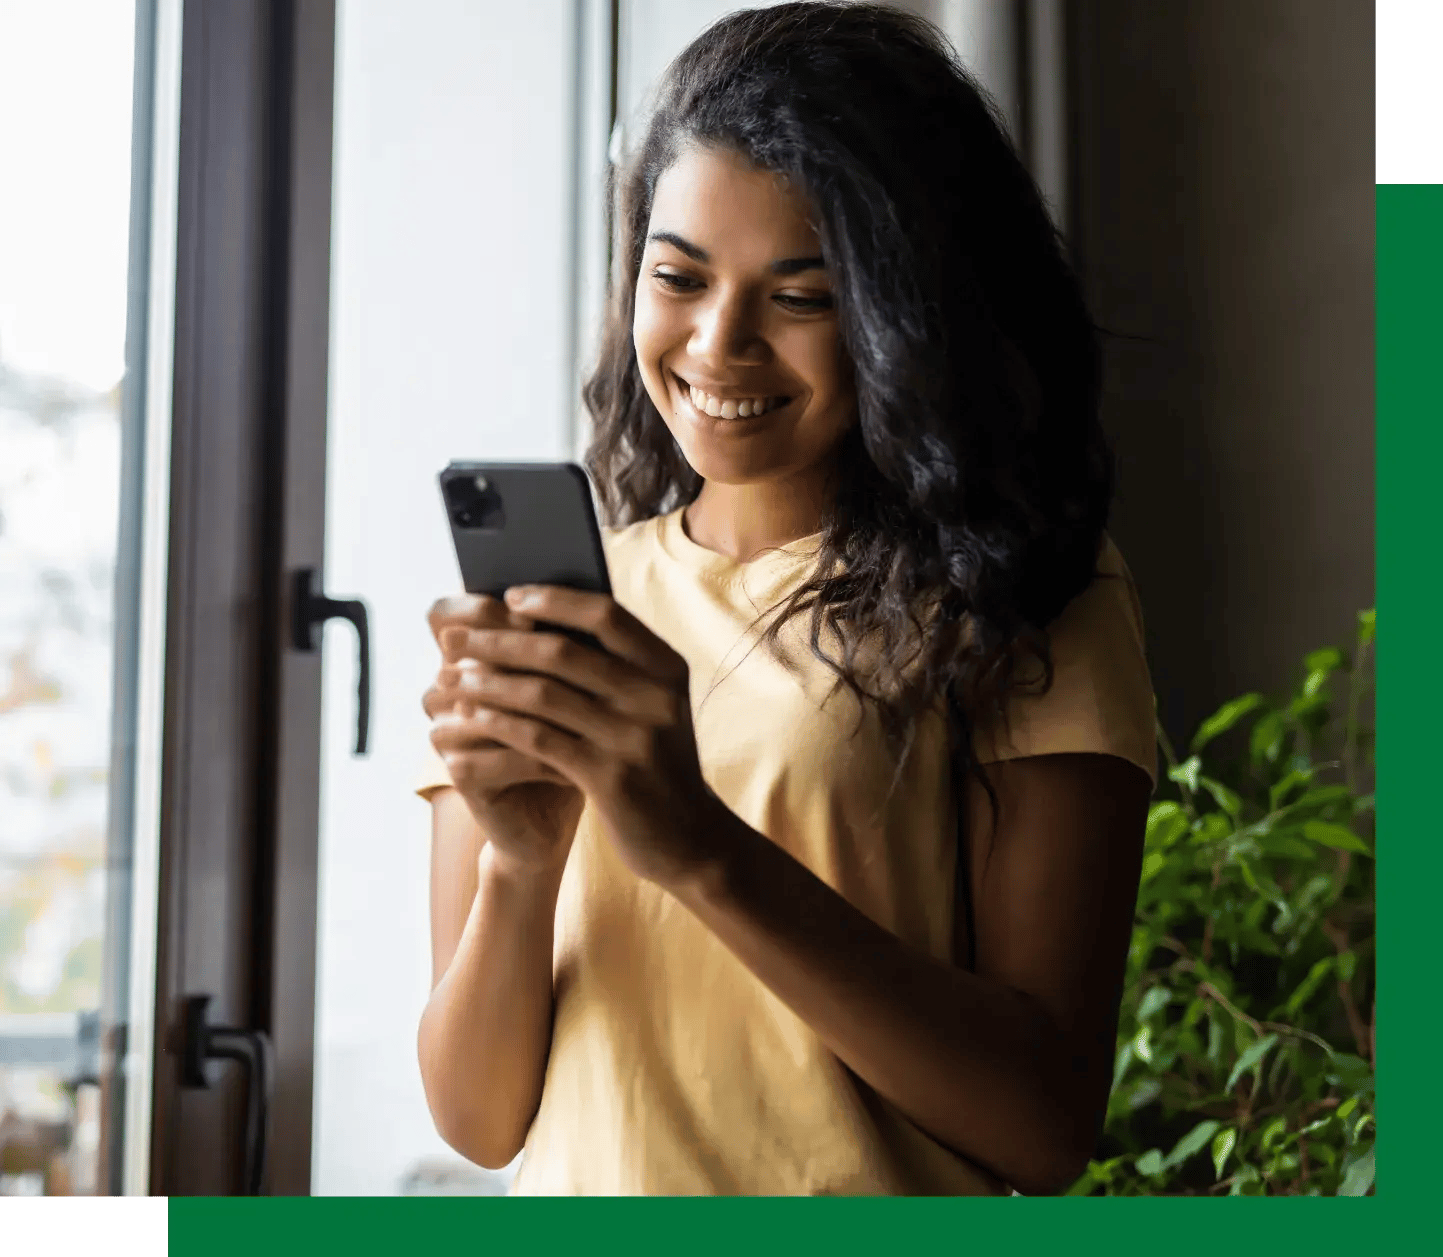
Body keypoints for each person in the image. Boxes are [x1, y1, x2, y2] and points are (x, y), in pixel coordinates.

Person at [414, 1, 1156, 1196]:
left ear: (908, 313)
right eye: (678, 276)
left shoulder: (1026, 593)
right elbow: (480, 1119)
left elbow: (1044, 1123)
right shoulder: (578, 610)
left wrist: (698, 847)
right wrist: (518, 860)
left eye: (802, 297)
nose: (720, 344)